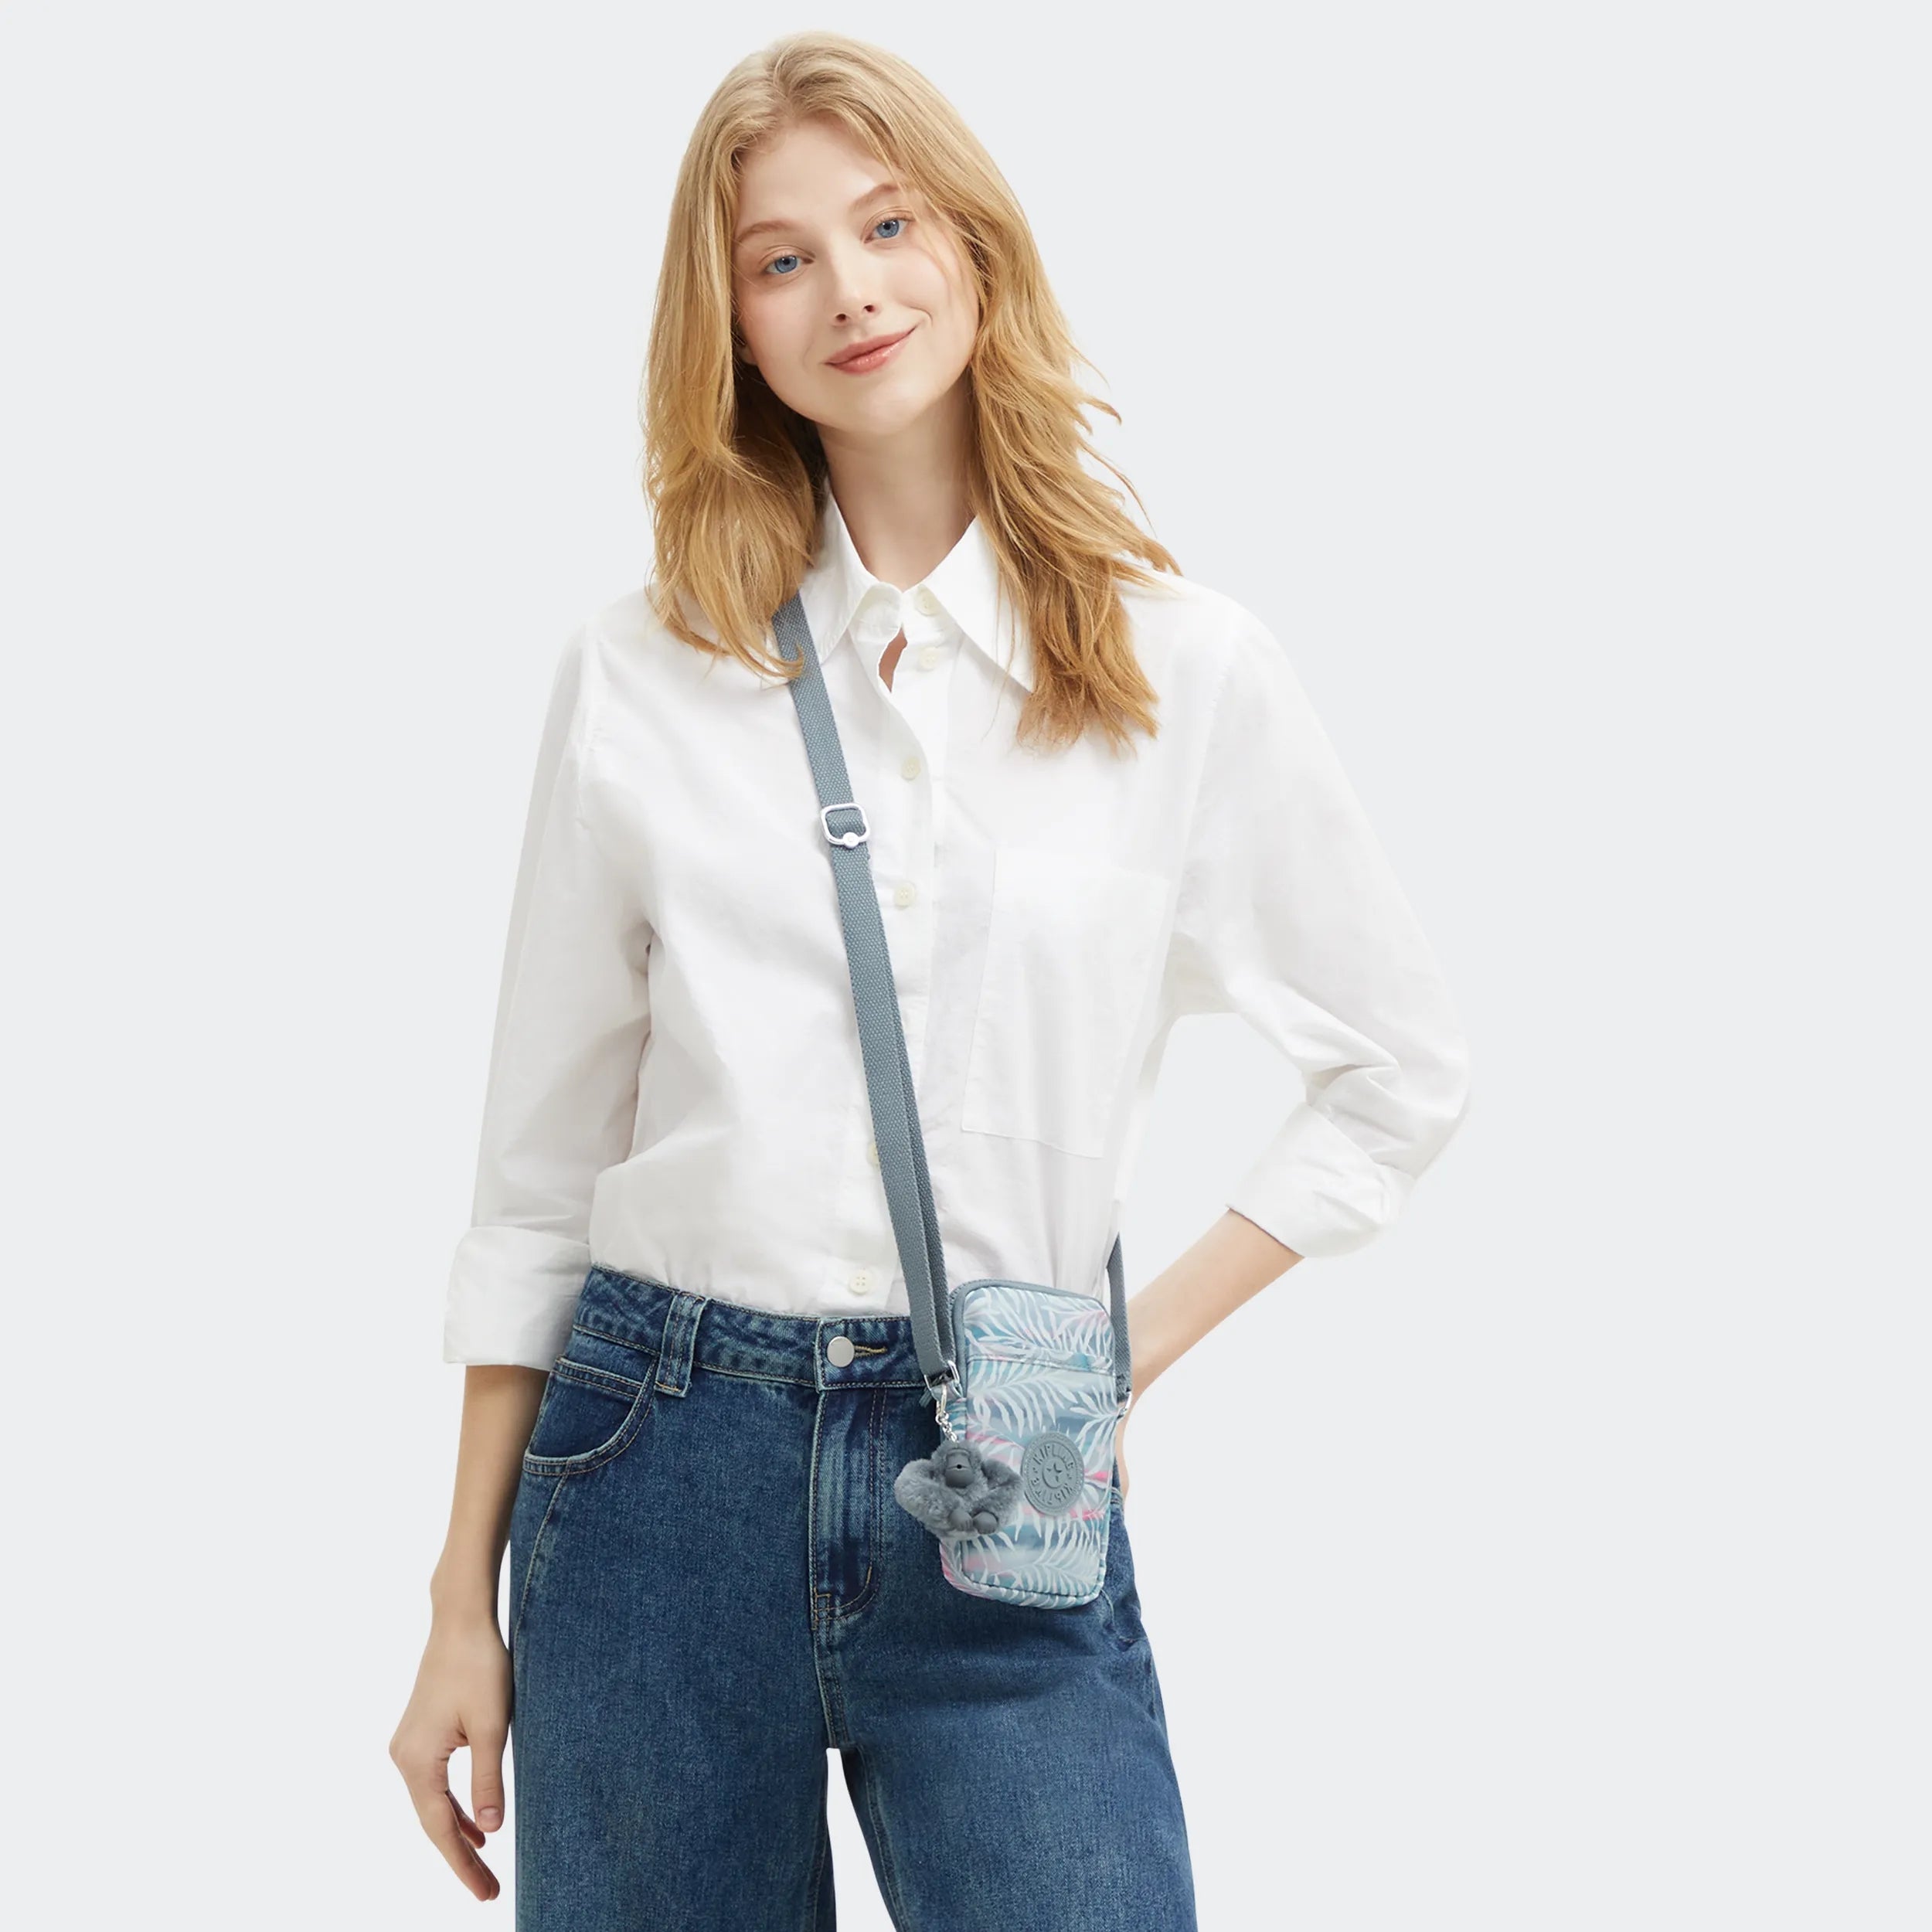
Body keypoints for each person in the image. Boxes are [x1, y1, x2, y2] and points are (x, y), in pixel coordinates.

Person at [389, 29, 1471, 1929]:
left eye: (886, 225)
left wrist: (1115, 1360)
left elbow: (1396, 1070)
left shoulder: (1181, 670)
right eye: (780, 257)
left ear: (975, 246)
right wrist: (455, 1604)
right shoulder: (641, 672)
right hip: (653, 1466)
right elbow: (537, 1177)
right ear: (730, 326)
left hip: (1004, 1470)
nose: (849, 289)